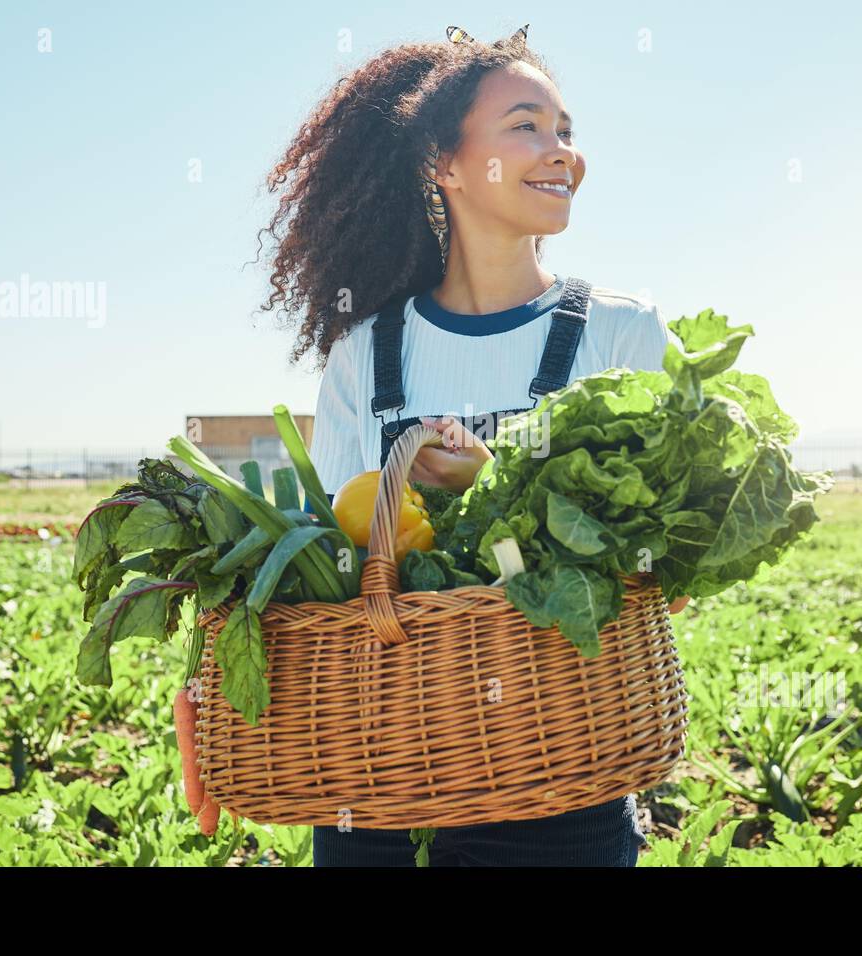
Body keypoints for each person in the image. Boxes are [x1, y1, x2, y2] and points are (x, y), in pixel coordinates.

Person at [261, 22, 688, 866]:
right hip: (372, 781)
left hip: (564, 779)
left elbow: (667, 573)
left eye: (566, 130)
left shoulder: (624, 334)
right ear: (443, 165)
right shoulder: (367, 350)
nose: (561, 150)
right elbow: (340, 576)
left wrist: (499, 492)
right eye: (527, 125)